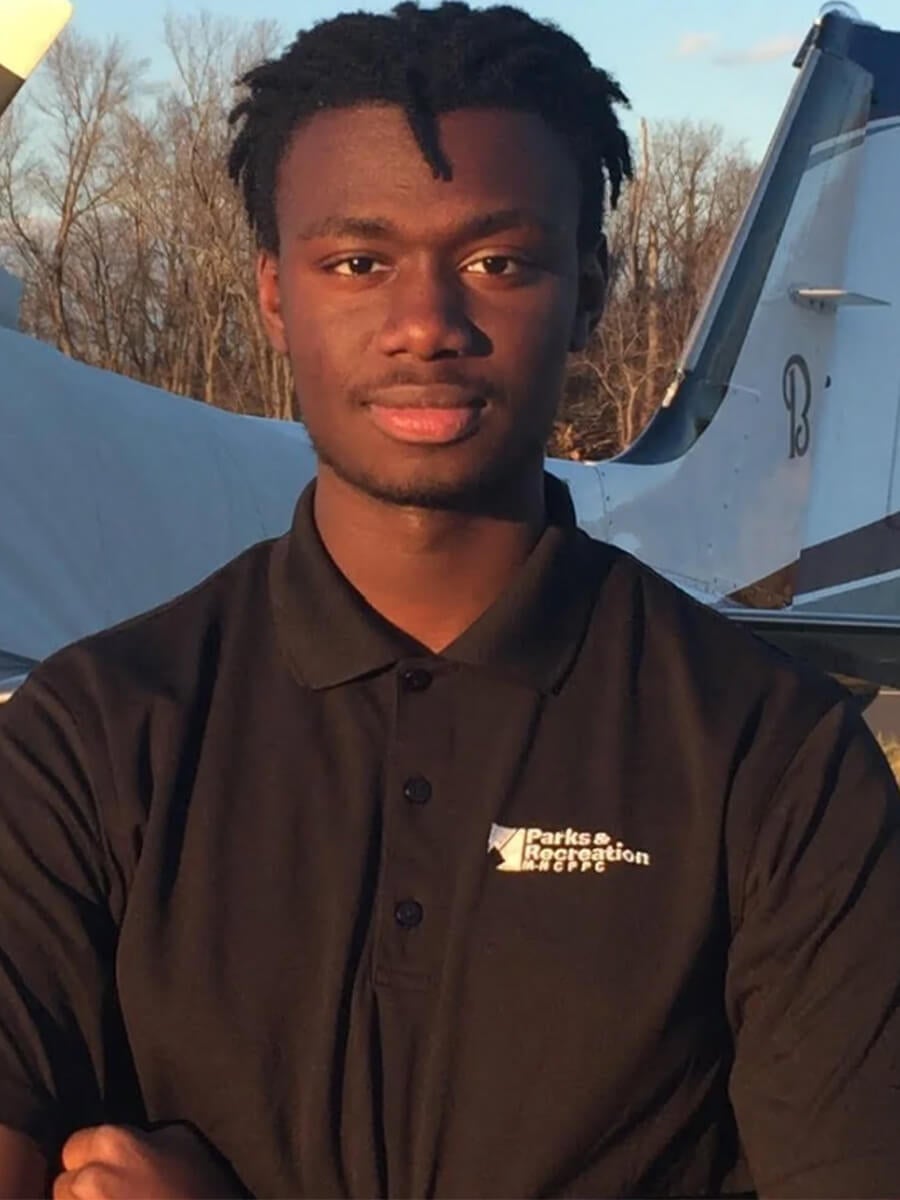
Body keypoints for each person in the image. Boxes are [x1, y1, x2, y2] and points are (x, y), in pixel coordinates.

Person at [1, 2, 900, 1196]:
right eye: (357, 264)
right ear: (274, 296)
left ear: (589, 292)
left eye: (498, 263)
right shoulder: (85, 740)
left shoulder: (781, 761)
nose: (425, 326)